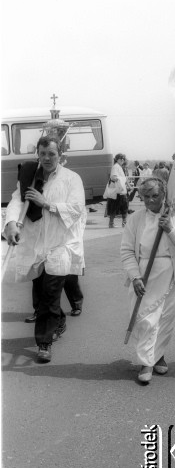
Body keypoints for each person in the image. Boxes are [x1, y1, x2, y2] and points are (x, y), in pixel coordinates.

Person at [4, 135, 86, 363]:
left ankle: (44, 343)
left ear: (61, 155)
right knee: (41, 295)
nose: (47, 158)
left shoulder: (72, 179)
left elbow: (77, 208)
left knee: (50, 294)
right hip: (35, 245)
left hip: (61, 244)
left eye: (52, 153)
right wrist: (10, 224)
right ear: (37, 155)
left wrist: (45, 203)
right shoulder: (30, 176)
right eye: (43, 154)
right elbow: (16, 201)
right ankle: (58, 320)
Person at [121, 177, 175, 383]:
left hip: (173, 274)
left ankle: (158, 355)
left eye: (155, 195)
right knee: (146, 318)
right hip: (144, 275)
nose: (150, 201)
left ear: (164, 194)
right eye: (145, 197)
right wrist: (135, 276)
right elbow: (127, 250)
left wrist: (171, 229)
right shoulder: (135, 219)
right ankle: (146, 362)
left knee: (165, 318)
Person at [106, 153, 129, 228]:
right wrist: (121, 180)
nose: (122, 160)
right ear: (117, 159)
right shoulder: (116, 167)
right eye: (120, 158)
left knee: (121, 207)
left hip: (120, 190)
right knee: (119, 207)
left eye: (123, 159)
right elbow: (113, 177)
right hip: (118, 191)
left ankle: (119, 223)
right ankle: (113, 223)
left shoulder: (119, 167)